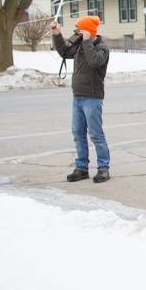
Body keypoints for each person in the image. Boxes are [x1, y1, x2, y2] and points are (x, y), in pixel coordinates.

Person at [51, 15, 111, 183]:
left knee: (96, 134)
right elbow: (64, 51)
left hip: (93, 98)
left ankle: (103, 168)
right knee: (78, 133)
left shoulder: (102, 48)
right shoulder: (79, 45)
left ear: (89, 32)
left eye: (80, 30)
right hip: (77, 96)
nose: (77, 33)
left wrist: (86, 41)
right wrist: (57, 34)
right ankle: (81, 168)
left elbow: (94, 62)